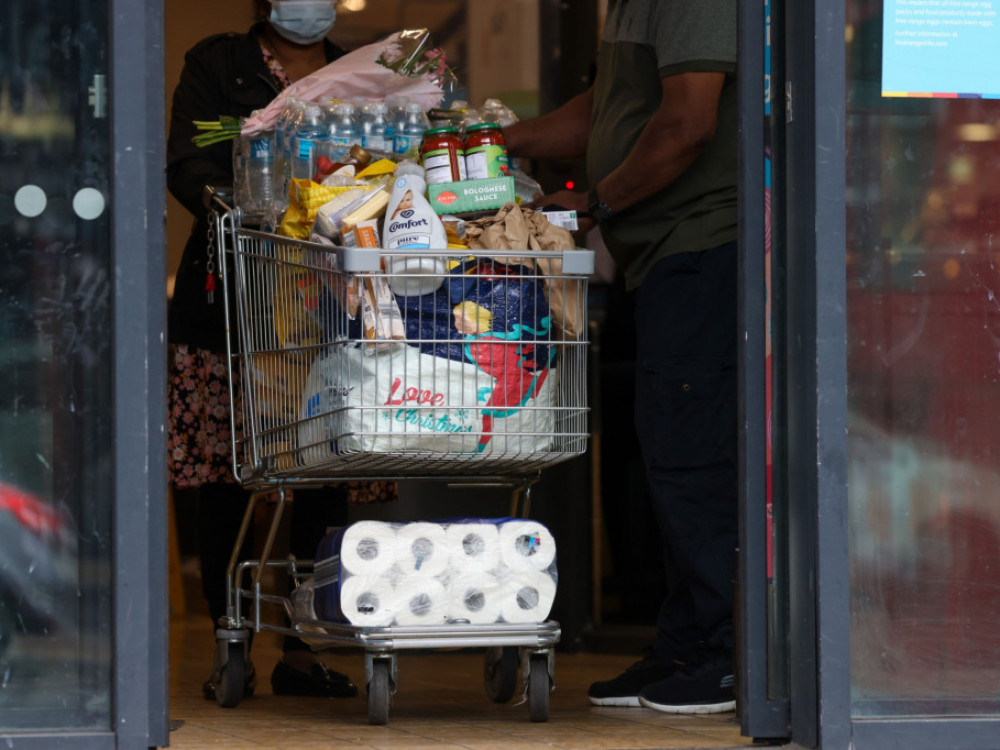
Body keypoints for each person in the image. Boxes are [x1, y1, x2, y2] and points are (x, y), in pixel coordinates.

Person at [503, 0, 739, 714]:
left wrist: (596, 205)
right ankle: (684, 642)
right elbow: (605, 108)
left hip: (702, 246)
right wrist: (496, 138)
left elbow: (687, 123)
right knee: (667, 450)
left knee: (695, 452)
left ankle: (730, 653)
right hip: (659, 256)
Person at [166, 0, 396, 700]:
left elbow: (385, 168)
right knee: (230, 471)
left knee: (326, 469)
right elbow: (186, 161)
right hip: (234, 298)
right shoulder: (219, 63)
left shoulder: (354, 75)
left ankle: (303, 646)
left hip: (328, 305)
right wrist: (255, 209)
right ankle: (228, 635)